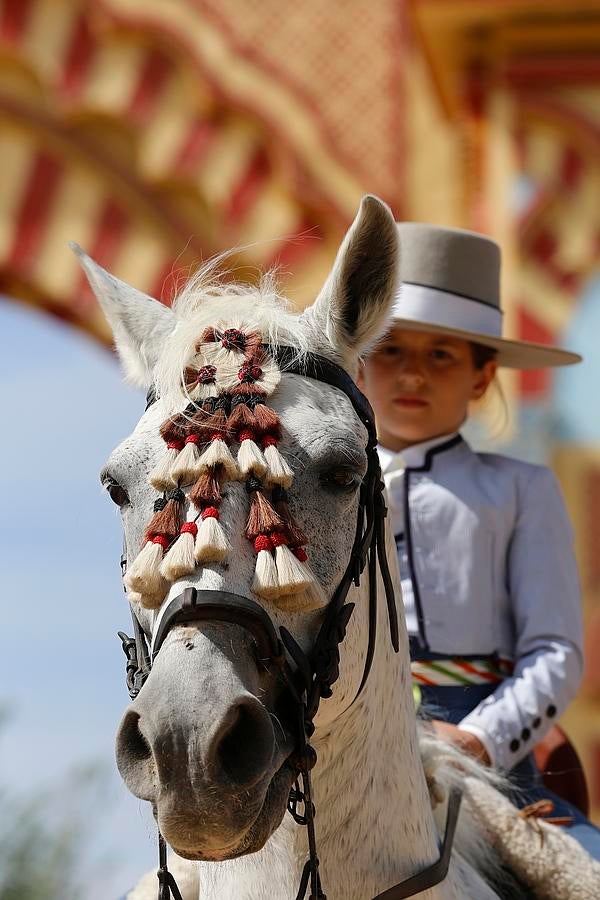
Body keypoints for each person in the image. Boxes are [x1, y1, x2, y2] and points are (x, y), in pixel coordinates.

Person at [359, 222, 600, 857]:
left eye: (441, 353)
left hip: (491, 756)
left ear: (481, 375)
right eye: (392, 350)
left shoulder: (521, 491)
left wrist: (476, 740)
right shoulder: (318, 494)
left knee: (585, 875)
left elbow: (554, 651)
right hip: (339, 745)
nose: (413, 373)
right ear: (358, 364)